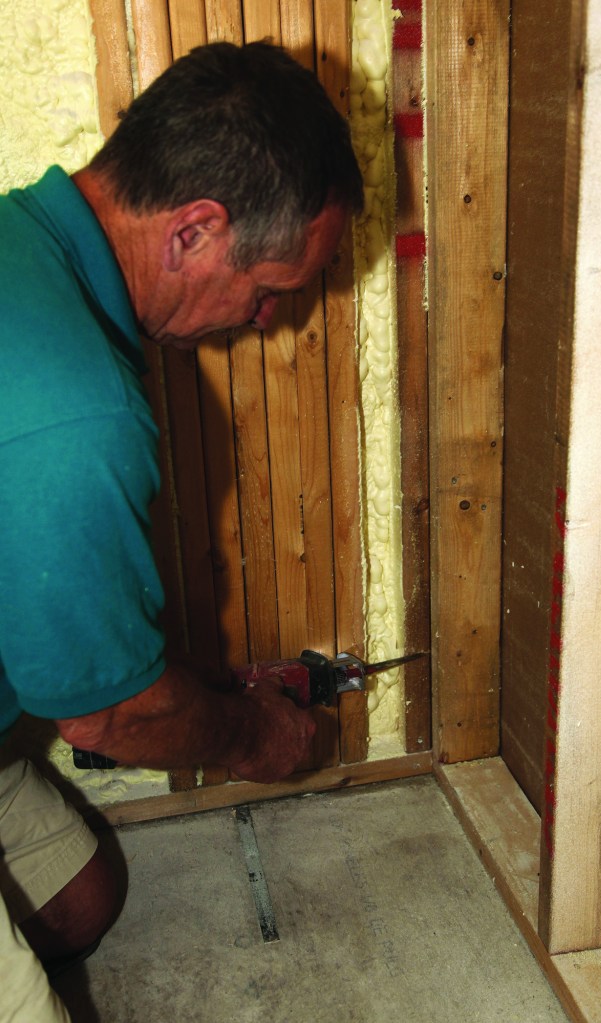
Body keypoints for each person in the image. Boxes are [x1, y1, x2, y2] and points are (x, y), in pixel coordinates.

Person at [0, 40, 363, 1021]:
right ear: (196, 229)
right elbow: (106, 720)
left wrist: (189, 688)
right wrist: (254, 736)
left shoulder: (20, 242)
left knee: (80, 897)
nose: (265, 320)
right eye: (271, 286)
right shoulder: (76, 409)